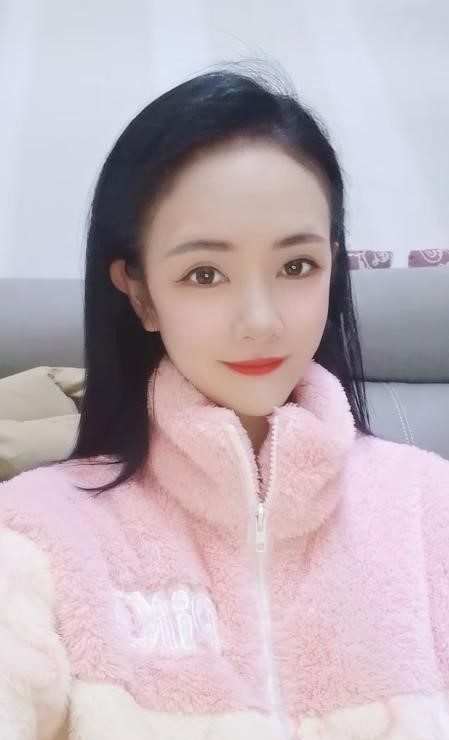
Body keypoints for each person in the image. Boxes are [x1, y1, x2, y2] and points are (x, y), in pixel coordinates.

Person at [1, 64, 449, 740]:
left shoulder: (428, 509)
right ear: (141, 293)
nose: (261, 321)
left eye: (296, 266)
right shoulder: (37, 534)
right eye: (205, 273)